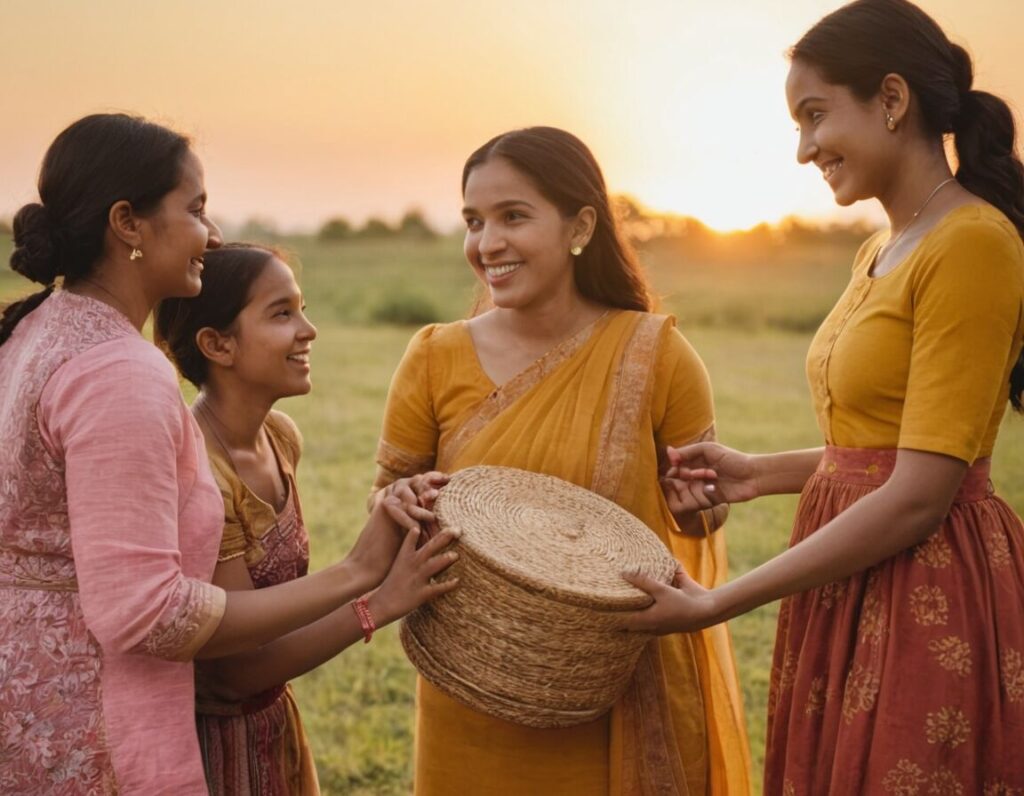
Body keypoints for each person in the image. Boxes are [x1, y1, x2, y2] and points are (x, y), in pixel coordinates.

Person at [624, 1, 1024, 793]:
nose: (804, 149)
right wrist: (756, 472)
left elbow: (920, 493)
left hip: (926, 586)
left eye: (815, 116)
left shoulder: (973, 243)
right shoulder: (885, 246)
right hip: (852, 573)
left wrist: (718, 602)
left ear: (892, 99)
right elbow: (882, 449)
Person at [0, 113, 456, 794]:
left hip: (29, 707)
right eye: (196, 209)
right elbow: (145, 613)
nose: (210, 235)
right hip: (94, 733)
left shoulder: (36, 331)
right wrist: (361, 572)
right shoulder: (118, 369)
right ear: (127, 223)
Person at [372, 126, 751, 795]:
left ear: (580, 225)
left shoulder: (656, 356)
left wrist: (700, 508)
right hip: (473, 697)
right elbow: (388, 501)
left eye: (513, 217)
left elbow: (700, 520)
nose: (487, 244)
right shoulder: (434, 357)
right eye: (473, 221)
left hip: (616, 690)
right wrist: (396, 503)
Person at [155, 243, 457, 795]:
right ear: (217, 344)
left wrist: (399, 511)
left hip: (273, 725)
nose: (309, 329)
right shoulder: (199, 471)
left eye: (303, 307)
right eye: (282, 313)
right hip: (212, 747)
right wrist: (376, 597)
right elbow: (237, 670)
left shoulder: (280, 438)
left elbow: (283, 619)